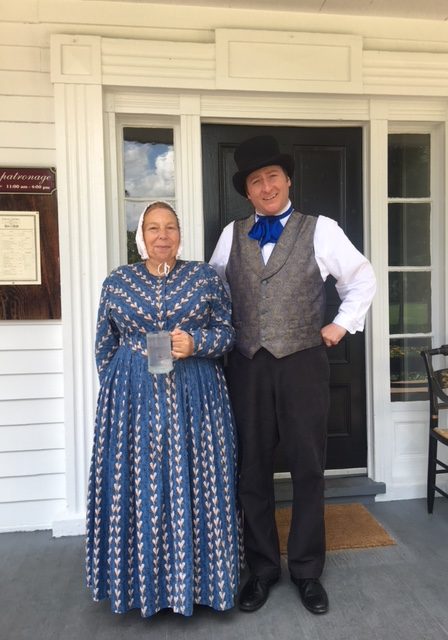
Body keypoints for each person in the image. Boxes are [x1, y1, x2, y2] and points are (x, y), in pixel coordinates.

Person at [210, 135, 376, 615]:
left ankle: (306, 570)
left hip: (303, 362)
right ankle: (261, 569)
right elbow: (213, 292)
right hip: (246, 367)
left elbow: (362, 279)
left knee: (307, 469)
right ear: (248, 190)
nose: (266, 186)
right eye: (256, 180)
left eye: (273, 177)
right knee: (252, 469)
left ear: (287, 180)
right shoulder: (231, 235)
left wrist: (339, 326)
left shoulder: (320, 229)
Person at [85, 201, 241, 617]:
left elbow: (227, 334)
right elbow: (104, 344)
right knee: (139, 486)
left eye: (170, 227)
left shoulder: (205, 278)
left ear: (180, 234)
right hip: (133, 399)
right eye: (153, 228)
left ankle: (201, 585)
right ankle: (141, 587)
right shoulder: (117, 282)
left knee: (199, 479)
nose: (162, 236)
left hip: (197, 396)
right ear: (141, 236)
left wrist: (197, 343)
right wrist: (120, 389)